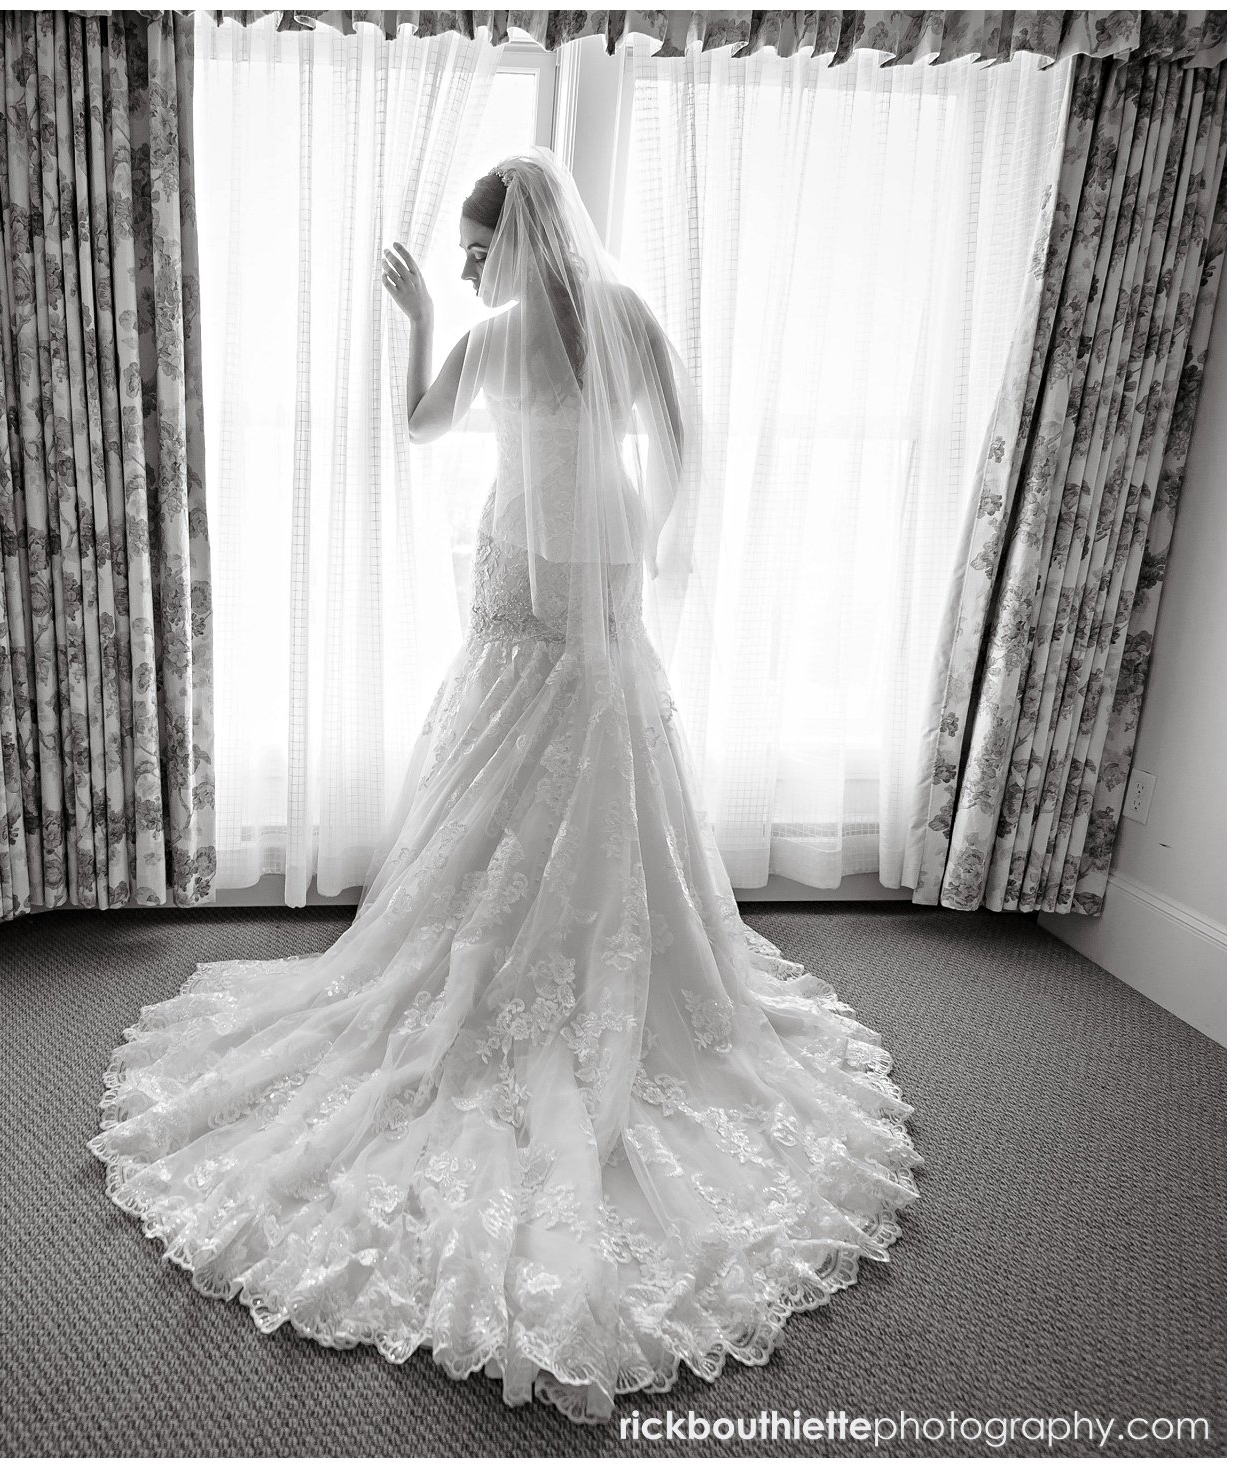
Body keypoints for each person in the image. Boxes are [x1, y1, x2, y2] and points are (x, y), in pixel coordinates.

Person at [90, 147, 922, 1424]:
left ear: (519, 238)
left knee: (513, 749)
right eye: (468, 257)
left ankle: (531, 945)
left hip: (534, 572)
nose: (471, 265)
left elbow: (424, 425)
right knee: (584, 752)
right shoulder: (622, 317)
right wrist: (646, 527)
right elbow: (677, 430)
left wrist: (423, 319)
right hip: (595, 568)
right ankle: (565, 931)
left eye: (477, 249)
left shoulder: (499, 333)